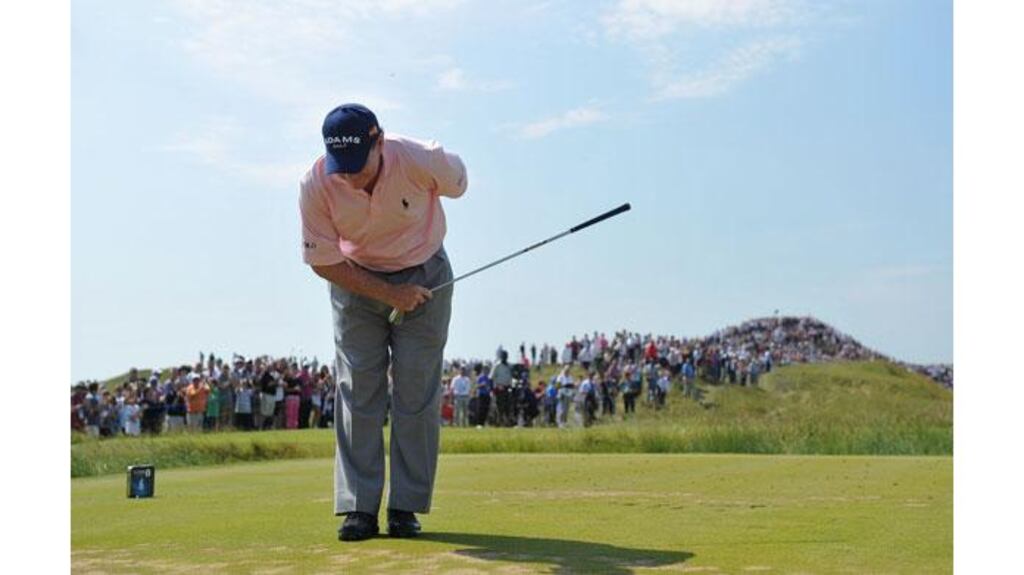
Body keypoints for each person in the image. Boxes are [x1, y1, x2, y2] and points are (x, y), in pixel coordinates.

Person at [299, 103, 466, 541]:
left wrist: (407, 287)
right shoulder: (316, 183)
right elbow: (324, 261)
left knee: (415, 391)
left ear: (380, 141)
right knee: (358, 389)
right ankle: (358, 507)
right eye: (343, 166)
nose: (351, 176)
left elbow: (458, 183)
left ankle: (405, 507)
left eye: (359, 163)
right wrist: (390, 293)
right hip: (354, 279)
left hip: (425, 271)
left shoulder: (418, 157)